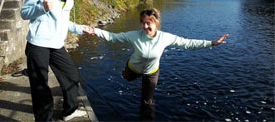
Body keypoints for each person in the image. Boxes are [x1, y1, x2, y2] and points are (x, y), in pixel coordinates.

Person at [83, 8, 229, 121]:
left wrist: (212, 43)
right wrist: (95, 31)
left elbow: (188, 42)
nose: (146, 26)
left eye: (149, 23)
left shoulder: (165, 38)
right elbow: (113, 37)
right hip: (133, 68)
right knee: (126, 77)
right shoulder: (135, 36)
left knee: (148, 100)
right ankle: (127, 69)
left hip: (152, 72)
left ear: (156, 23)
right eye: (143, 23)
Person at [20, 0, 89, 122]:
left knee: (71, 76)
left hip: (57, 43)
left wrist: (80, 28)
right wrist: (42, 7)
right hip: (38, 43)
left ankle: (69, 111)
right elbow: (24, 13)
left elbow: (63, 20)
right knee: (40, 85)